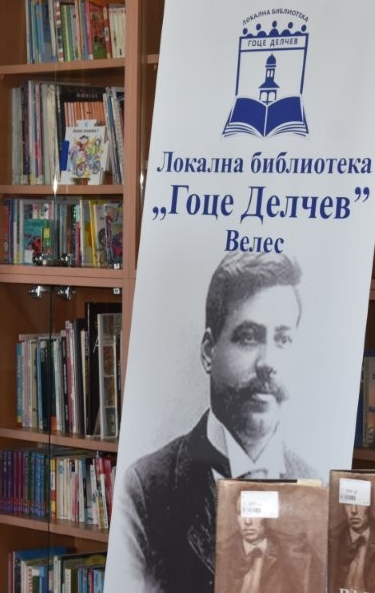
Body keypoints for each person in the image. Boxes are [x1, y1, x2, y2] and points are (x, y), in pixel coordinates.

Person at [110, 251, 317, 592]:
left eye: (282, 339)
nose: (268, 362)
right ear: (209, 351)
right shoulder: (144, 489)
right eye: (249, 336)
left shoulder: (317, 487)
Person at [214, 496, 320, 593]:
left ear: (267, 515)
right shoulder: (219, 553)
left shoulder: (297, 553)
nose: (247, 521)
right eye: (241, 513)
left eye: (255, 512)